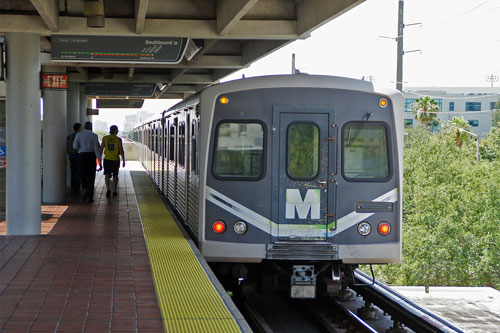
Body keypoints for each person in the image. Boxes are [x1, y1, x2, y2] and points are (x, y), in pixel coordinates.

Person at [73, 121, 102, 202]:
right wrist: (100, 162)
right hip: (91, 157)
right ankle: (90, 197)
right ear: (91, 127)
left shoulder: (79, 134)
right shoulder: (94, 136)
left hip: (82, 156)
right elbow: (97, 149)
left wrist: (80, 147)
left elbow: (75, 146)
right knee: (91, 176)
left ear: (84, 127)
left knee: (81, 174)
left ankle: (85, 187)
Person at [101, 125, 125, 198]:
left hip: (107, 159)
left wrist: (99, 158)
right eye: (117, 130)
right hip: (115, 159)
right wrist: (123, 160)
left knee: (107, 174)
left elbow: (101, 148)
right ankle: (114, 190)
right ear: (115, 131)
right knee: (115, 175)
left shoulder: (105, 138)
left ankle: (108, 189)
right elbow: (121, 150)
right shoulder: (118, 139)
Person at [66, 122, 82, 195]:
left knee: (72, 171)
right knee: (78, 172)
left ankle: (73, 187)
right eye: (81, 128)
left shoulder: (69, 136)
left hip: (71, 156)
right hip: (78, 155)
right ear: (79, 128)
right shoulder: (80, 136)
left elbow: (67, 146)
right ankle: (77, 188)